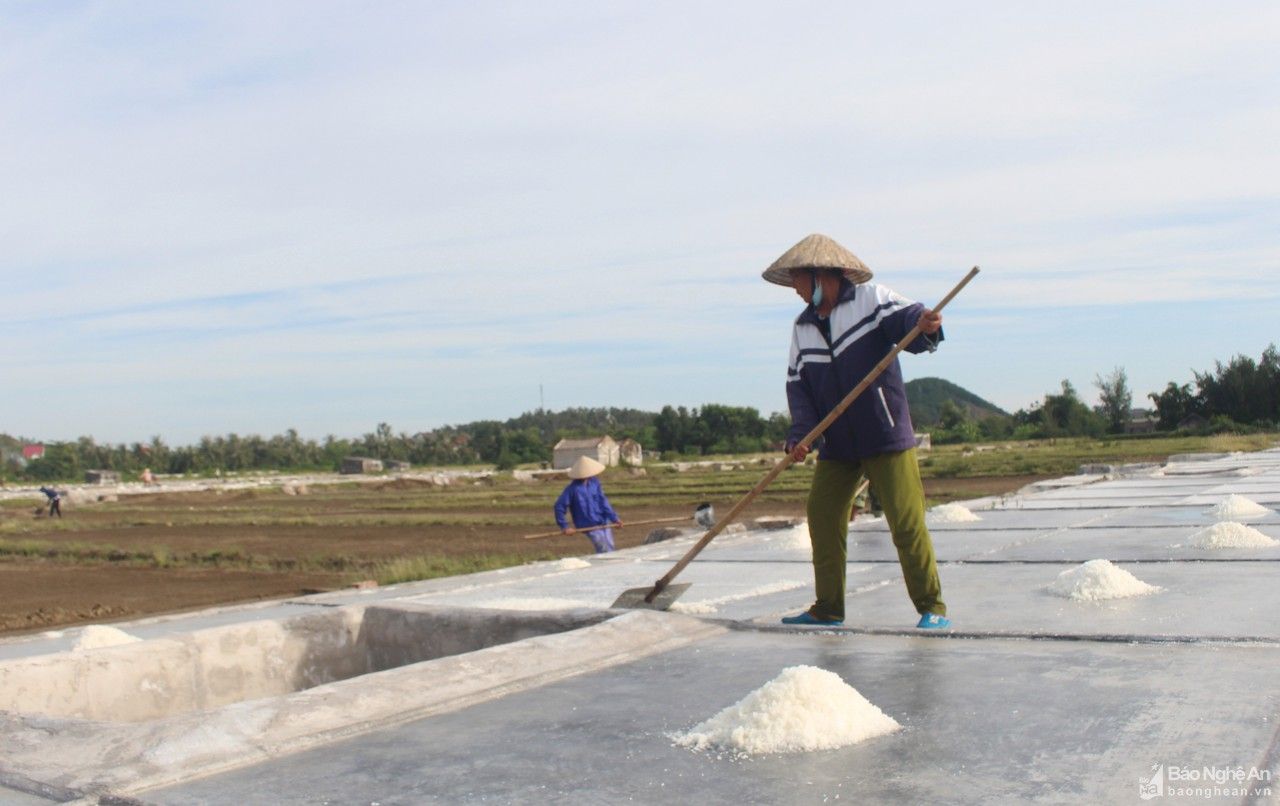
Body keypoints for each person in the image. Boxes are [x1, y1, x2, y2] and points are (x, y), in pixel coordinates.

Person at [763, 233, 950, 629]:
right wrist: (800, 437)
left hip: (884, 434)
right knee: (823, 511)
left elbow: (909, 322)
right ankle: (828, 608)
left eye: (798, 281)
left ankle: (932, 606)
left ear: (820, 276)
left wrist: (925, 324)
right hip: (838, 444)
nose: (796, 291)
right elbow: (799, 388)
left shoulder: (871, 300)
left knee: (905, 519)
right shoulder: (803, 329)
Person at [553, 456, 623, 553]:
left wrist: (614, 519)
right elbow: (559, 507)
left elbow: (603, 502)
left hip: (603, 521)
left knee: (610, 546)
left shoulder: (595, 483)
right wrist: (565, 527)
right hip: (589, 525)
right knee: (604, 549)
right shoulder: (572, 489)